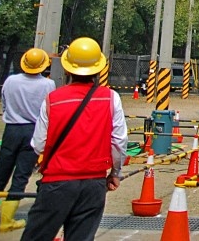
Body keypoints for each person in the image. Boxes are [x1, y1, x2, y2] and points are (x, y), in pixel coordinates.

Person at [20, 38, 126, 241]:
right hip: (93, 184)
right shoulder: (111, 98)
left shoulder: (53, 99)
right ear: (98, 69)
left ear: (68, 69)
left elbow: (39, 144)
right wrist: (115, 173)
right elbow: (119, 142)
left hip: (56, 183)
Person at [0, 48, 55, 232]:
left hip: (11, 129)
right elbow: (48, 111)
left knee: (0, 173)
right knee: (21, 176)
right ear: (44, 65)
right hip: (33, 131)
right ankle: (7, 220)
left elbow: (4, 103)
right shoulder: (47, 85)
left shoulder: (11, 80)